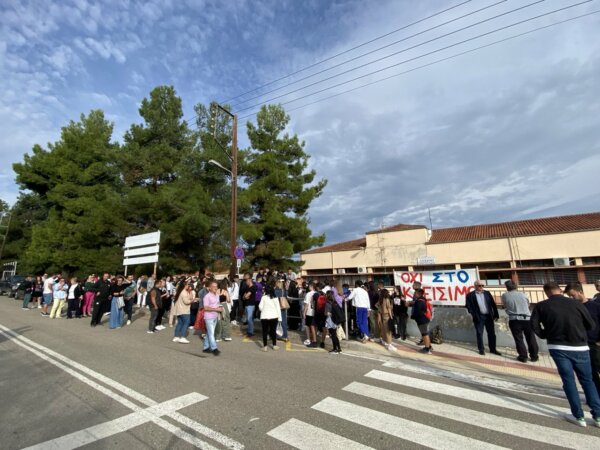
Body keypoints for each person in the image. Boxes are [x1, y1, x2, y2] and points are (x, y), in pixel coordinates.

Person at [532, 282, 600, 428]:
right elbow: (591, 325)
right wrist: (581, 333)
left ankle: (578, 416)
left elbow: (534, 325)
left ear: (546, 292)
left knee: (568, 380)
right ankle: (598, 415)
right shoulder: (576, 304)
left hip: (558, 347)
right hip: (581, 347)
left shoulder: (541, 306)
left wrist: (545, 335)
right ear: (560, 290)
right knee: (588, 380)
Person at [564, 282, 600, 398]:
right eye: (569, 296)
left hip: (595, 343)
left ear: (580, 292)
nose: (571, 298)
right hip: (580, 345)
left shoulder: (595, 306)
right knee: (589, 373)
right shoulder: (571, 308)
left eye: (572, 295)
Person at [500, 280, 538, 363]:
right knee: (531, 338)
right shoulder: (523, 294)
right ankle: (534, 356)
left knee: (518, 339)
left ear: (506, 287)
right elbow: (528, 304)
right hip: (527, 318)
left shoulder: (505, 295)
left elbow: (505, 305)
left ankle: (523, 356)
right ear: (516, 286)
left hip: (514, 319)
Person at [465, 281, 501, 356]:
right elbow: (468, 306)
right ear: (475, 286)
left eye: (482, 285)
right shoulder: (470, 295)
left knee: (491, 333)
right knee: (479, 333)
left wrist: (496, 314)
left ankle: (493, 349)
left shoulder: (487, 293)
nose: (481, 287)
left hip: (488, 316)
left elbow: (493, 304)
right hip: (479, 317)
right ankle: (481, 349)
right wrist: (473, 314)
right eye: (479, 285)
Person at [258, 283, 282, 351]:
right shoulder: (275, 298)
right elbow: (278, 308)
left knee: (264, 332)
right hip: (274, 316)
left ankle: (265, 346)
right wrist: (280, 318)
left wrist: (264, 310)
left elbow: (260, 307)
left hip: (265, 316)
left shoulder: (263, 297)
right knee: (273, 331)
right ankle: (274, 345)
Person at [202, 280, 223, 355]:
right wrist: (216, 309)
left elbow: (217, 304)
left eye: (216, 286)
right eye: (213, 286)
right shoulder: (207, 297)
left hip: (215, 316)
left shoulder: (217, 295)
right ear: (209, 288)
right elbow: (206, 308)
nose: (215, 287)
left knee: (209, 333)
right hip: (209, 317)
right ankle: (214, 348)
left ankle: (206, 347)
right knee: (211, 333)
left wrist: (220, 308)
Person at [411, 288, 433, 354]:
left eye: (415, 293)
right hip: (424, 319)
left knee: (424, 334)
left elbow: (419, 312)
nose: (414, 294)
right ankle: (429, 346)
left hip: (422, 320)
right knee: (425, 333)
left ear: (418, 294)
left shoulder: (419, 301)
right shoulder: (423, 299)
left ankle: (427, 349)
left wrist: (413, 316)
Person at [303, 282, 318, 347]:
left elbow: (306, 304)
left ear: (311, 286)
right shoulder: (317, 293)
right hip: (316, 312)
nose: (308, 287)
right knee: (314, 326)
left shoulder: (308, 294)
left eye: (309, 286)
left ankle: (309, 339)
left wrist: (304, 312)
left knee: (307, 326)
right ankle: (314, 339)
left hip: (309, 312)